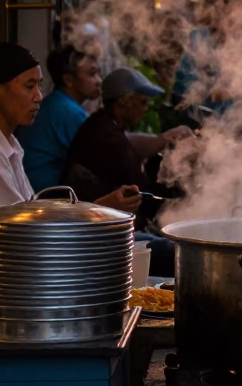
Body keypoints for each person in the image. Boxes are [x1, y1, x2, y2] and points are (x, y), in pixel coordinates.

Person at [0, 43, 141, 261]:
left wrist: (98, 209)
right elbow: (22, 235)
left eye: (39, 86)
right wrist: (98, 210)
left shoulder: (6, 143)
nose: (38, 96)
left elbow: (32, 213)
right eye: (29, 86)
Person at [64, 67, 193, 274]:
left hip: (101, 230)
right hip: (97, 239)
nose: (145, 108)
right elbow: (143, 195)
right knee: (181, 253)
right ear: (124, 101)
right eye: (142, 102)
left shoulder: (101, 125)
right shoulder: (108, 138)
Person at [19, 47, 103, 192]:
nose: (98, 81)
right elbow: (105, 153)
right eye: (92, 74)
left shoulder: (56, 103)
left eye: (98, 74)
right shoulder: (67, 111)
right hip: (43, 198)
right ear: (69, 80)